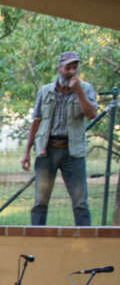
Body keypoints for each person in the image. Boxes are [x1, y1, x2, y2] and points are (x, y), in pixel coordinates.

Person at [22, 51, 98, 226]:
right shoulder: (45, 91)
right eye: (68, 67)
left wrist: (78, 91)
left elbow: (91, 114)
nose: (72, 71)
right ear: (59, 68)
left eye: (75, 68)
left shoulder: (85, 89)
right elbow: (36, 121)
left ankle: (85, 240)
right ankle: (36, 238)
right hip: (46, 150)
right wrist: (26, 152)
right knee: (40, 202)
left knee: (80, 202)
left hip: (73, 152)